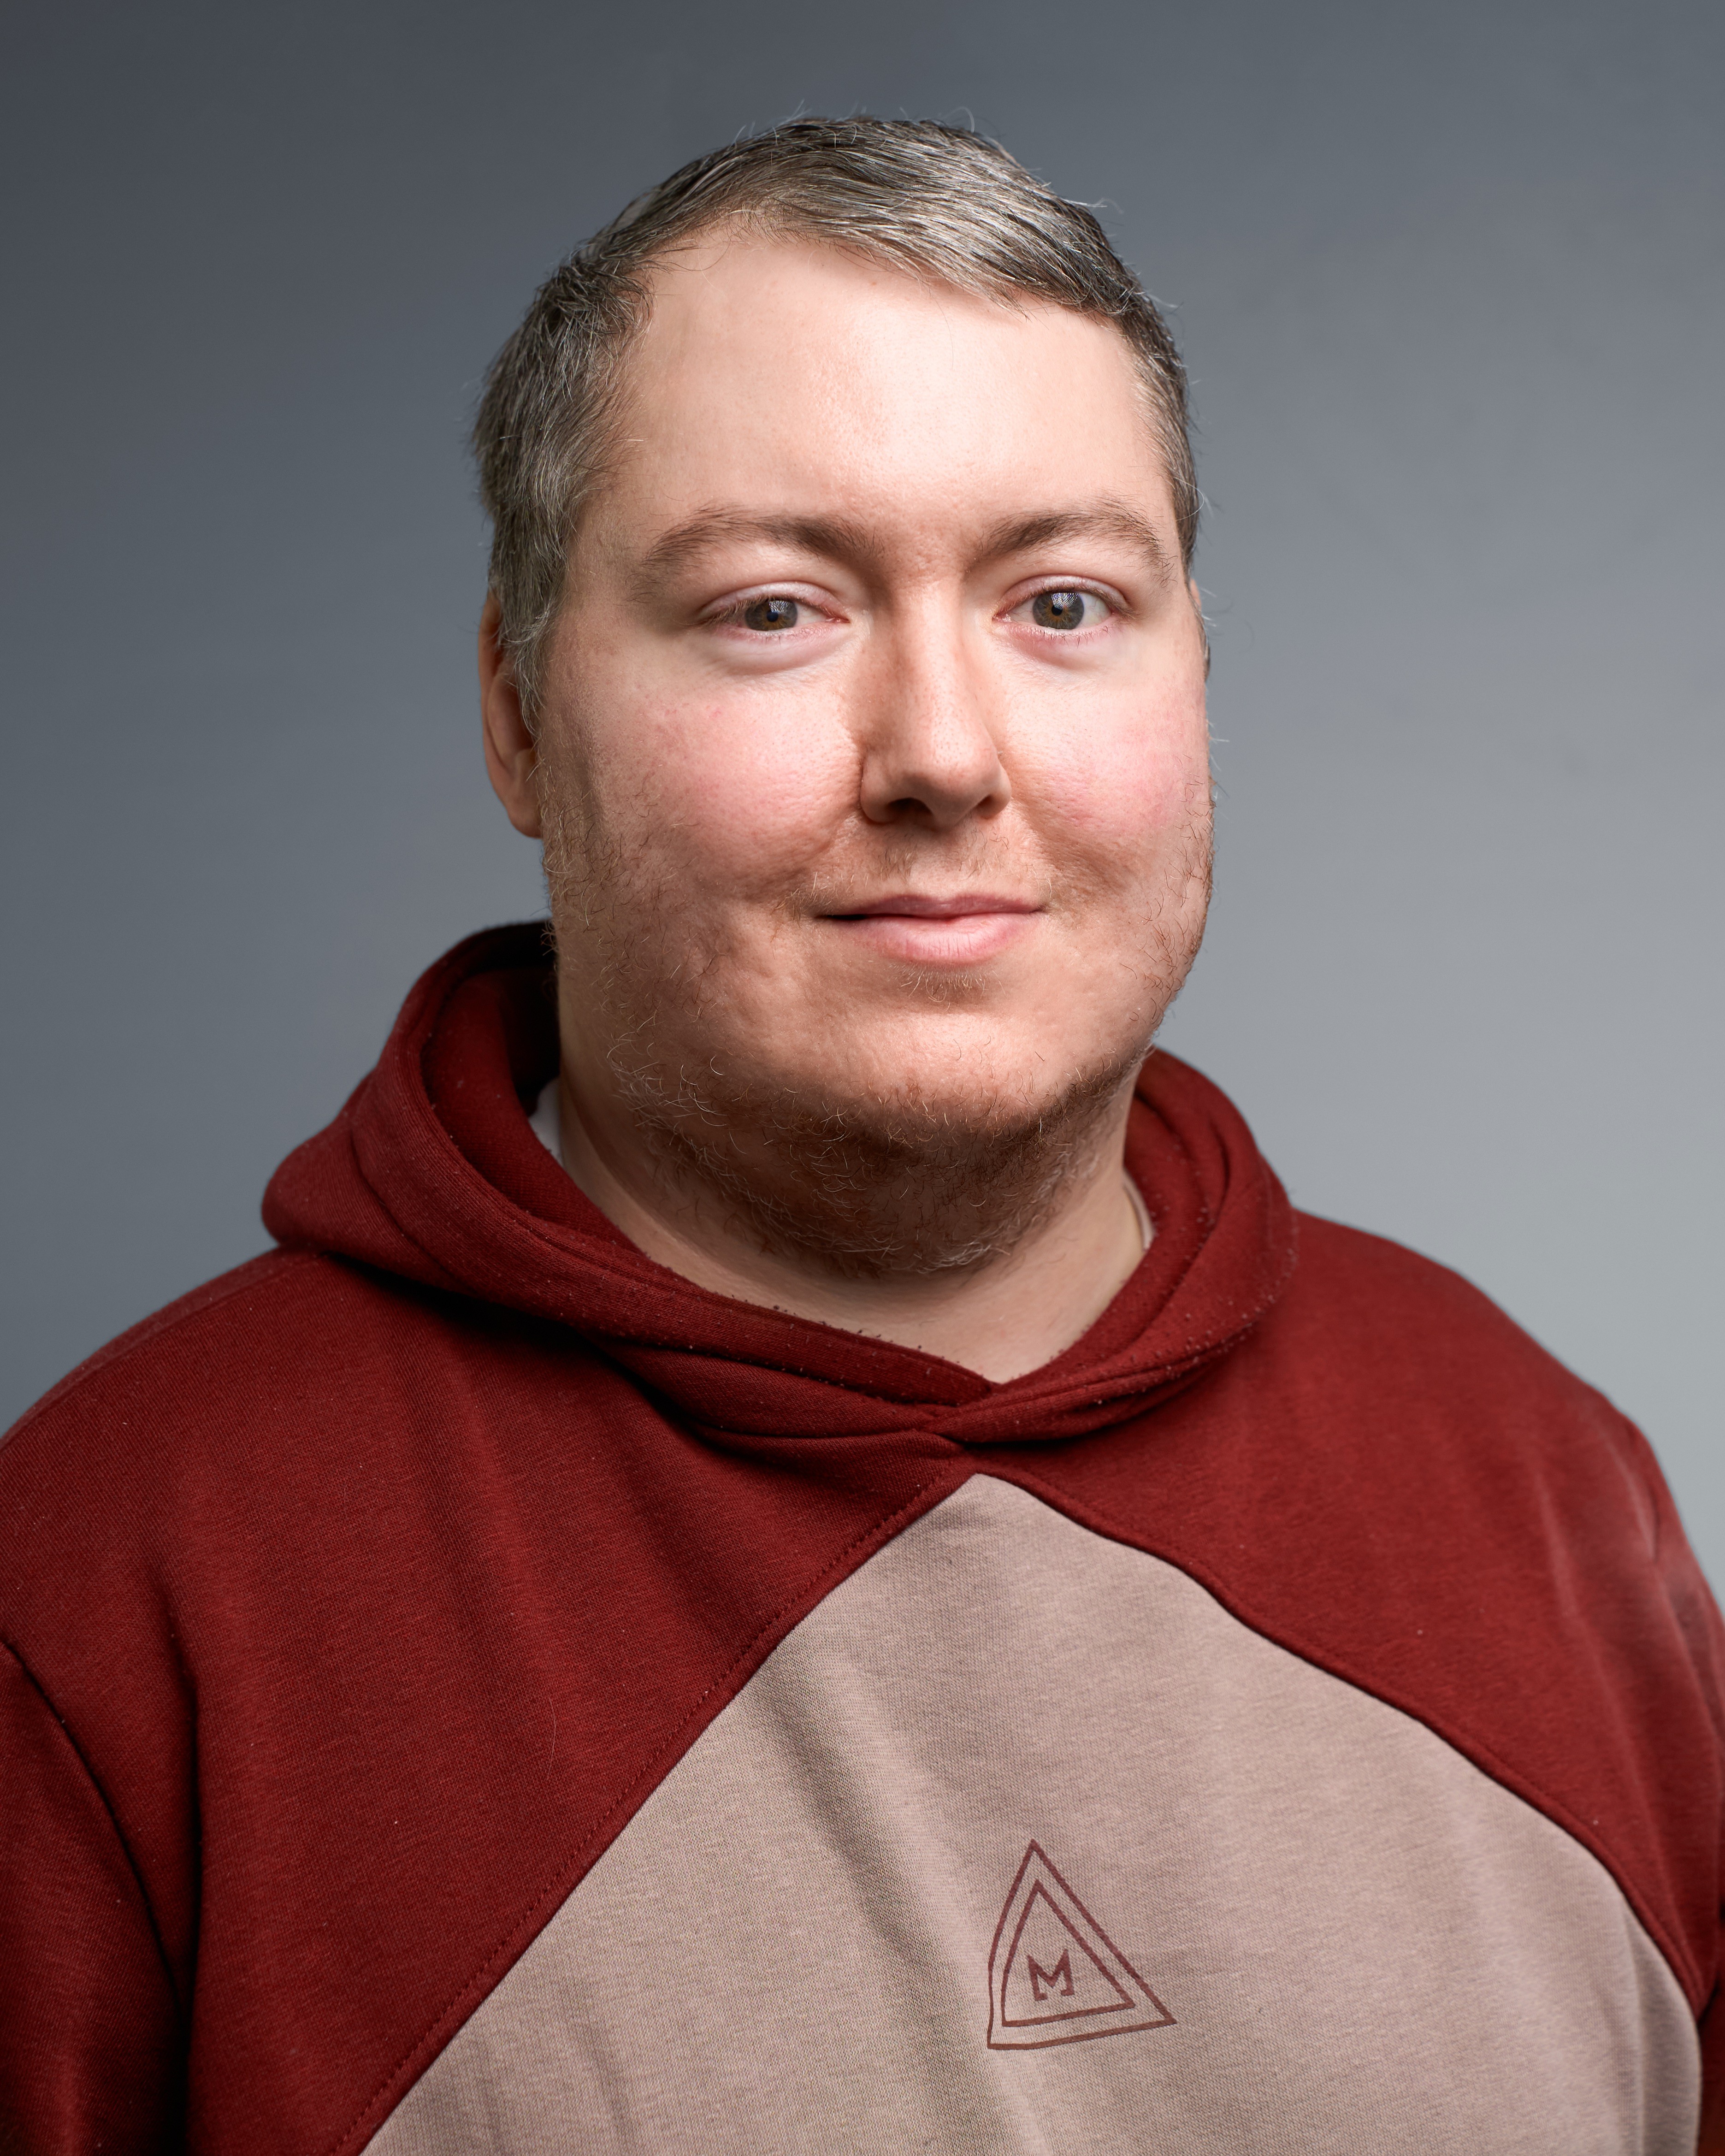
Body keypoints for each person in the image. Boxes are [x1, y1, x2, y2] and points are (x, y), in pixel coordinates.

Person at [1, 117, 1719, 2156]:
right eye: (773, 609)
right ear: (519, 715)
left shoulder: (1540, 1476)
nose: (942, 756)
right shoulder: (103, 1589)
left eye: (1062, 602)